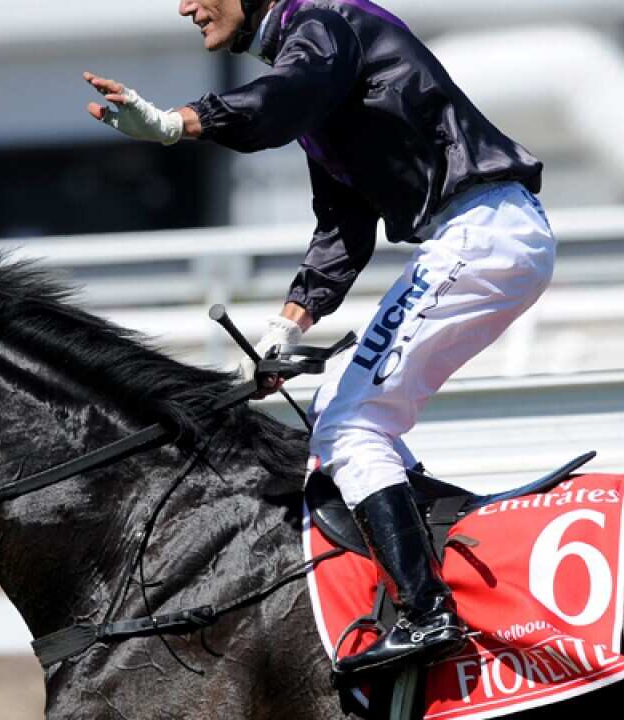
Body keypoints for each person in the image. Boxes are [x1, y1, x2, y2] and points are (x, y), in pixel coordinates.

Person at [83, 0, 555, 676]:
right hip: (486, 236)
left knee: (350, 426)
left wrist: (174, 124)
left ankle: (428, 613)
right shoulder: (316, 59)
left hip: (482, 234)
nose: (184, 6)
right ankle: (421, 576)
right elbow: (342, 227)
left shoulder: (322, 29)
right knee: (346, 407)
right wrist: (286, 325)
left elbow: (280, 102)